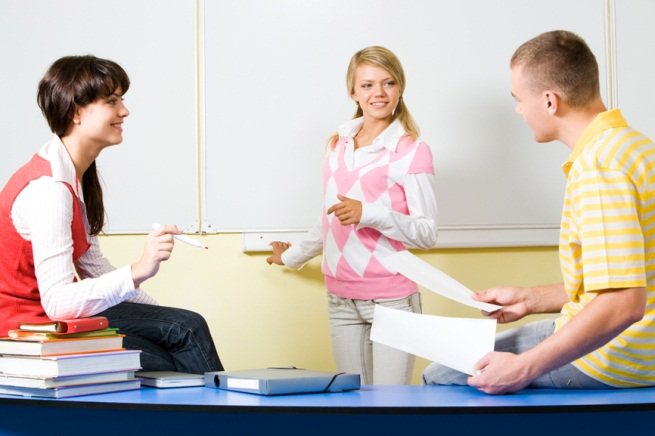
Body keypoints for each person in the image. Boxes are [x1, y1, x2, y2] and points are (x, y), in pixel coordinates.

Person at [423, 30, 655, 394]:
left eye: (518, 99)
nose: (518, 110)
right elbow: (633, 276)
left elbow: (624, 302)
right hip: (642, 344)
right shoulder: (634, 147)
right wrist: (531, 299)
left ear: (549, 101)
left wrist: (523, 368)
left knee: (443, 375)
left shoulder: (598, 168)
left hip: (620, 354)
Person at [0, 55, 223, 374]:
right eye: (112, 101)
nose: (124, 111)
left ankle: (221, 420)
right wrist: (139, 269)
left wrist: (161, 317)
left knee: (184, 326)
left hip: (54, 324)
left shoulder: (75, 176)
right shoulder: (49, 189)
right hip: (28, 333)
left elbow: (93, 266)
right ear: (77, 111)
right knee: (173, 348)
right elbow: (58, 301)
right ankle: (226, 422)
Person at [266, 46, 439, 385]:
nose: (379, 93)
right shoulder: (338, 146)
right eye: (368, 85)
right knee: (352, 403)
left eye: (388, 83)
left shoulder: (411, 151)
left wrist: (369, 213)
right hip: (341, 298)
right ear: (353, 92)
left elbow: (426, 233)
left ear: (400, 87)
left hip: (391, 301)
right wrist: (289, 257)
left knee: (390, 408)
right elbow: (329, 220)